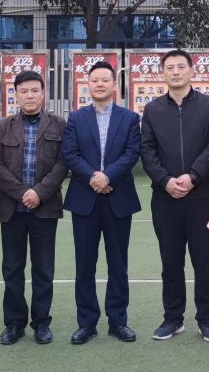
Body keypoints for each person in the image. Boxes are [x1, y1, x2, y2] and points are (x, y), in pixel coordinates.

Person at [141, 49, 209, 342]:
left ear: (192, 70)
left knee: (204, 262)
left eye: (180, 66)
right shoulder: (152, 109)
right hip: (165, 198)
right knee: (171, 262)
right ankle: (172, 319)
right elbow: (147, 150)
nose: (175, 72)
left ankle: (207, 320)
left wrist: (192, 176)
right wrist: (165, 181)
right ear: (163, 73)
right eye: (169, 67)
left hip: (201, 197)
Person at [62, 61, 142, 345]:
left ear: (114, 84)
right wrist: (94, 177)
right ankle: (86, 323)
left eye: (105, 80)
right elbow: (70, 153)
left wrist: (108, 176)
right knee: (84, 263)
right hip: (85, 199)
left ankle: (118, 321)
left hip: (118, 197)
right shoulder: (76, 118)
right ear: (88, 84)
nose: (99, 84)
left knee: (118, 263)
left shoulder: (129, 118)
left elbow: (132, 153)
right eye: (94, 80)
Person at [0, 70, 69, 346]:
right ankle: (14, 324)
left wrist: (39, 192)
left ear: (43, 93)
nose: (30, 95)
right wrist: (23, 193)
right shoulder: (3, 126)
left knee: (43, 269)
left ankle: (41, 323)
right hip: (12, 209)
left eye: (35, 90)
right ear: (16, 95)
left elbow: (63, 163)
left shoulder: (59, 124)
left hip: (45, 209)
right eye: (24, 91)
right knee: (12, 269)